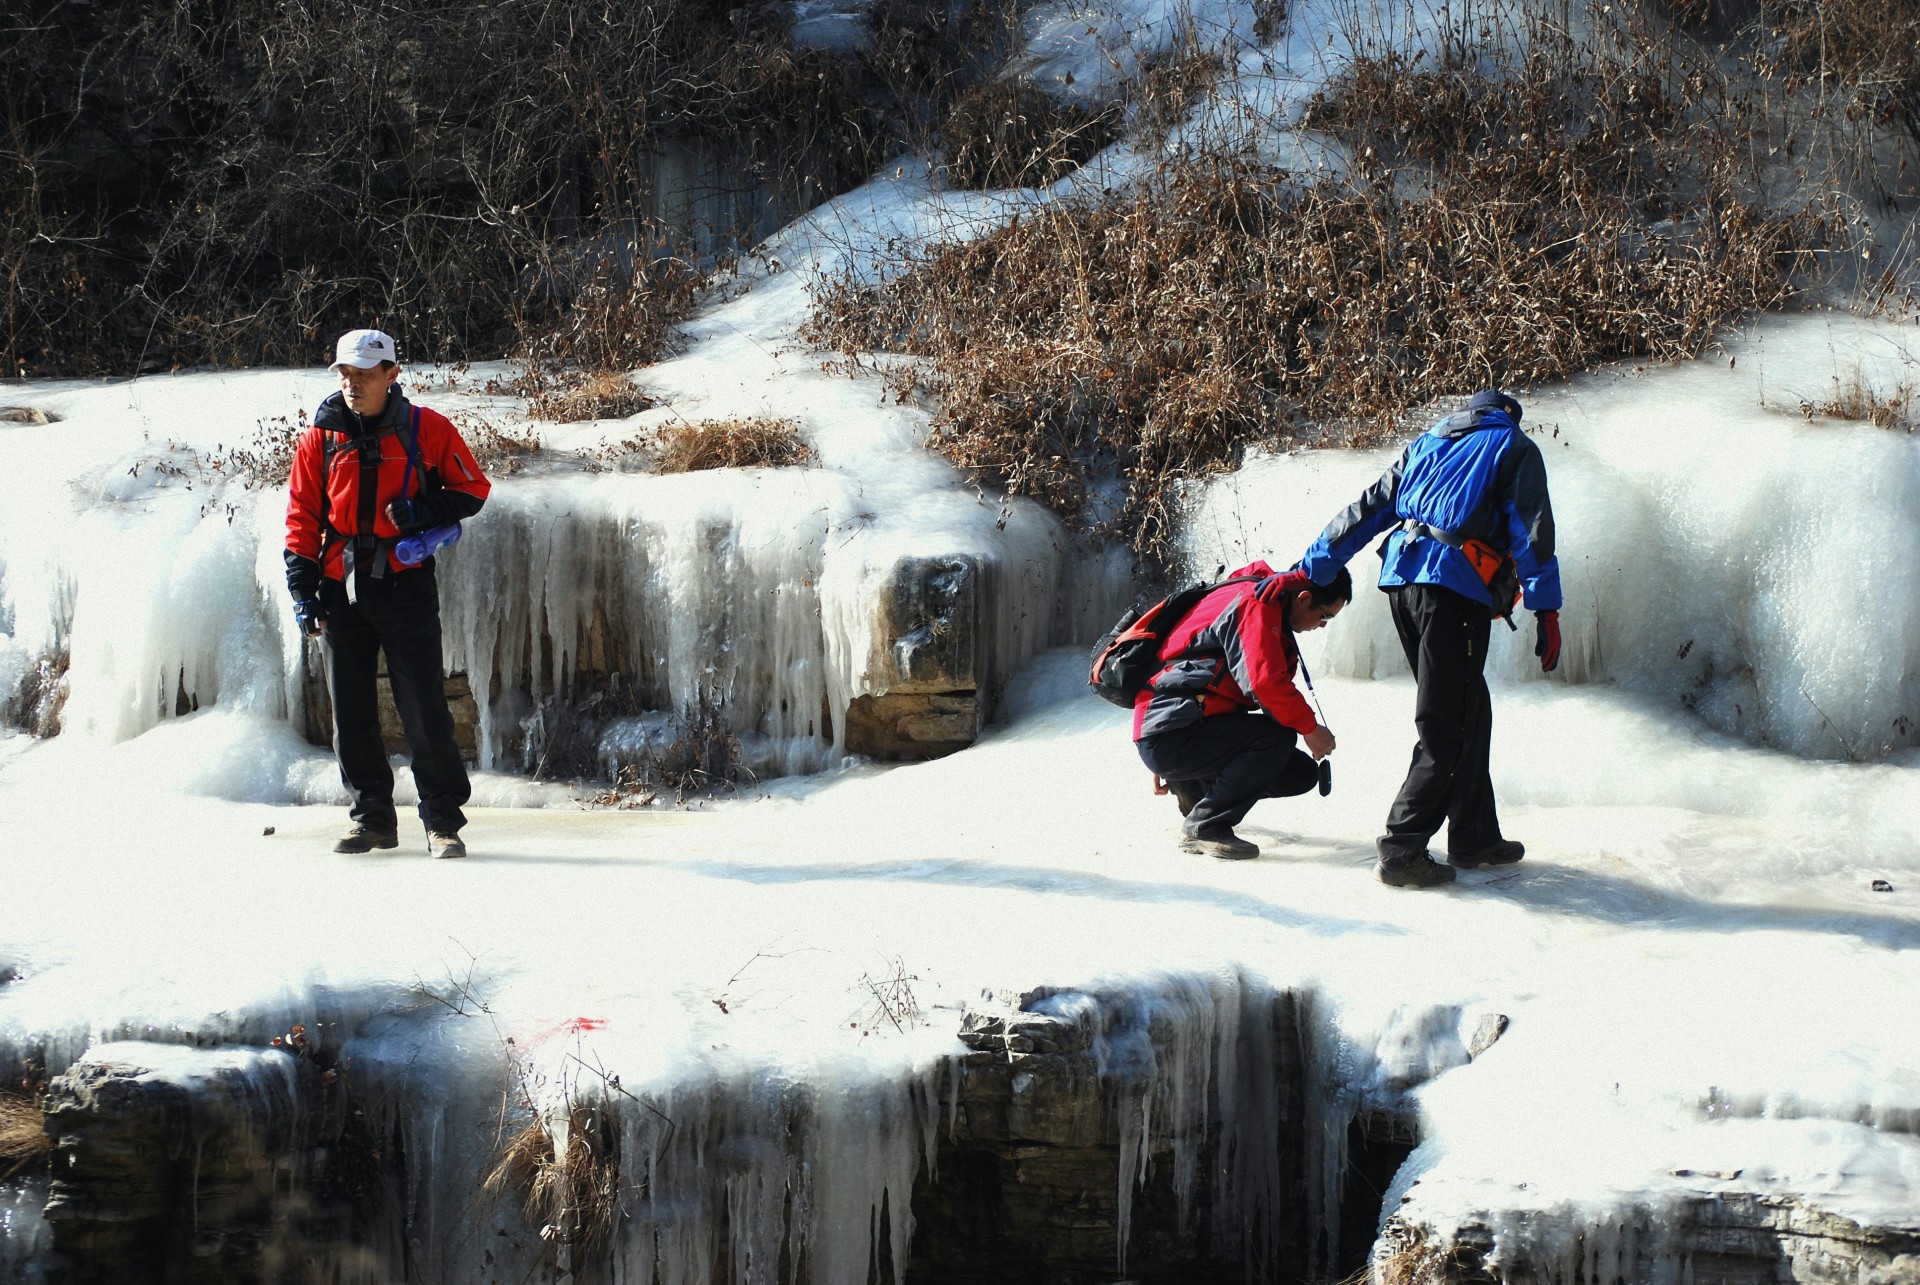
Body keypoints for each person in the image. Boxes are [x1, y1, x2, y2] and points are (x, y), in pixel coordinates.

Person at [1297, 389, 1561, 888]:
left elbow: (1369, 509)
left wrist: (1313, 568)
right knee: (1448, 723)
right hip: (1452, 588)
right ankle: (1403, 848)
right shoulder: (1513, 446)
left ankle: (1474, 836)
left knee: (1469, 709)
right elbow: (1531, 531)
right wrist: (1547, 609)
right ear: (1507, 416)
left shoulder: (1428, 443)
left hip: (1402, 583)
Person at [284, 329, 492, 857]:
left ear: (391, 374)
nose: (351, 383)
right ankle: (371, 818)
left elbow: (473, 490)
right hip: (339, 584)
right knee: (350, 712)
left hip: (405, 581)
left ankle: (441, 821)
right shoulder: (320, 438)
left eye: (363, 373)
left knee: (423, 707)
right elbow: (303, 518)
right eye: (344, 374)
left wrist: (425, 511)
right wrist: (303, 590)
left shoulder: (428, 429)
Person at [1134, 561, 1352, 859]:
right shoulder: (1256, 602)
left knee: (1298, 772)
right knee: (1276, 738)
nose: (1323, 625)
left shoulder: (1257, 600)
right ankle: (1205, 826)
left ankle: (1193, 788)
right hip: (1171, 729)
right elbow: (1265, 683)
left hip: (1175, 727)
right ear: (1304, 598)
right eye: (1324, 615)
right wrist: (1310, 729)